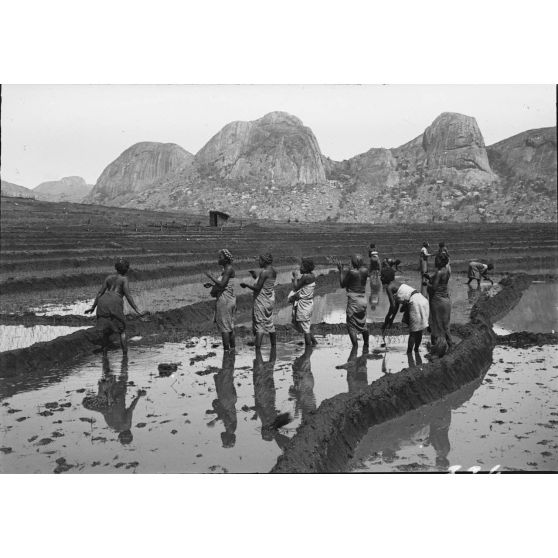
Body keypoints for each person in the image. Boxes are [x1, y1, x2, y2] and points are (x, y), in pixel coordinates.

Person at [85, 257, 146, 355]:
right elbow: (128, 295)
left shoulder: (108, 278)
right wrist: (137, 310)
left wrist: (93, 307)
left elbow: (100, 293)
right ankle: (125, 356)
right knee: (122, 331)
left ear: (116, 268)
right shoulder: (124, 279)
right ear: (126, 269)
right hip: (115, 301)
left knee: (105, 332)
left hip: (103, 301)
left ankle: (104, 355)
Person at [82, 354, 144, 445]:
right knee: (107, 373)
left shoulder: (126, 425)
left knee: (123, 373)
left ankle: (122, 356)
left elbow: (131, 409)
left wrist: (138, 396)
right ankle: (105, 356)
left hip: (118, 393)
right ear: (119, 435)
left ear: (130, 433)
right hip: (108, 394)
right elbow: (105, 411)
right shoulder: (111, 426)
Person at [381, 266, 429, 354]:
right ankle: (416, 351)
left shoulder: (389, 287)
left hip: (415, 302)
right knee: (419, 330)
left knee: (413, 332)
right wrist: (391, 320)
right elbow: (396, 306)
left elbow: (392, 306)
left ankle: (409, 353)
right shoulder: (397, 284)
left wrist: (387, 319)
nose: (380, 278)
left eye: (381, 276)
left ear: (385, 278)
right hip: (422, 300)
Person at [240, 253, 277, 348]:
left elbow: (257, 288)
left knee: (259, 325)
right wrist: (255, 276)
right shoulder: (273, 271)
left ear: (264, 261)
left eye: (260, 260)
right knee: (270, 323)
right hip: (269, 300)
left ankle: (258, 350)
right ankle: (274, 346)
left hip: (261, 302)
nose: (258, 262)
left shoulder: (264, 272)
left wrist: (246, 285)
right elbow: (265, 284)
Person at [204, 249, 236, 351]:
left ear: (226, 260)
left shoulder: (228, 269)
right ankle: (232, 350)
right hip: (228, 299)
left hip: (225, 301)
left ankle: (227, 352)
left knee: (225, 328)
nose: (218, 259)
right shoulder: (227, 269)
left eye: (220, 257)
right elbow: (225, 285)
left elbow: (222, 284)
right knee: (229, 326)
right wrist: (213, 285)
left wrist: (211, 276)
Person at [335, 254, 369, 349]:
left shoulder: (352, 272)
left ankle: (355, 348)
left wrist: (341, 271)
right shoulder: (365, 271)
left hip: (354, 300)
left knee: (351, 325)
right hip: (363, 299)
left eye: (352, 261)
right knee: (363, 323)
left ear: (354, 262)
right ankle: (366, 344)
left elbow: (342, 284)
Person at [425, 252, 453, 357]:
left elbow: (434, 287)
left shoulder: (439, 272)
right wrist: (429, 278)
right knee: (445, 325)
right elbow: (441, 283)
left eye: (436, 260)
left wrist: (426, 283)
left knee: (436, 324)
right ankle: (448, 347)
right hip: (445, 299)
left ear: (440, 261)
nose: (435, 261)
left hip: (437, 301)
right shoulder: (446, 271)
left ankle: (441, 349)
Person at [211, 350, 237, 448]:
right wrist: (215, 420)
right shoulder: (230, 429)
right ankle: (228, 353)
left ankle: (230, 353)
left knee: (227, 376)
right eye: (224, 441)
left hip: (229, 399)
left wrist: (214, 413)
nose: (222, 439)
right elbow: (225, 415)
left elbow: (224, 414)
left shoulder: (230, 429)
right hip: (227, 399)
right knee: (226, 375)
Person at [289, 257, 317, 346]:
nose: (300, 268)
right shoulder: (312, 275)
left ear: (306, 268)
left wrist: (295, 277)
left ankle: (308, 348)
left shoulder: (305, 277)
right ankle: (314, 342)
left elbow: (296, 287)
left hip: (304, 304)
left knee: (305, 327)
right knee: (306, 326)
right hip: (308, 303)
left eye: (302, 267)